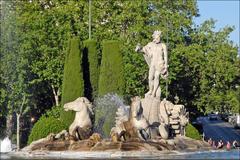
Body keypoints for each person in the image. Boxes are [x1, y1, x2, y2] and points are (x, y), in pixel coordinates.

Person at [135, 30, 168, 98]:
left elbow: (165, 56)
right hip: (153, 63)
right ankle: (150, 90)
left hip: (160, 64)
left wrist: (166, 65)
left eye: (158, 37)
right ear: (154, 37)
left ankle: (154, 92)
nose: (157, 39)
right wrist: (139, 49)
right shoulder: (150, 44)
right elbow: (144, 49)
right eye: (156, 38)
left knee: (156, 77)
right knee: (150, 78)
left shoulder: (163, 45)